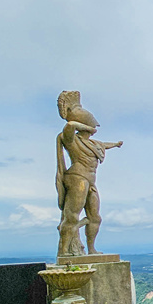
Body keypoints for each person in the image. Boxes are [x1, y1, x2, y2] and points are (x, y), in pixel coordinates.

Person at [55, 91, 123, 257]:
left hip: (90, 181)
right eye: (92, 126)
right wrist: (85, 126)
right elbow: (70, 126)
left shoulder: (93, 144)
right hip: (78, 178)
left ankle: (91, 249)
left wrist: (115, 144)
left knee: (95, 218)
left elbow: (103, 145)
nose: (95, 129)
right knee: (71, 216)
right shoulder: (71, 139)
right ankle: (64, 251)